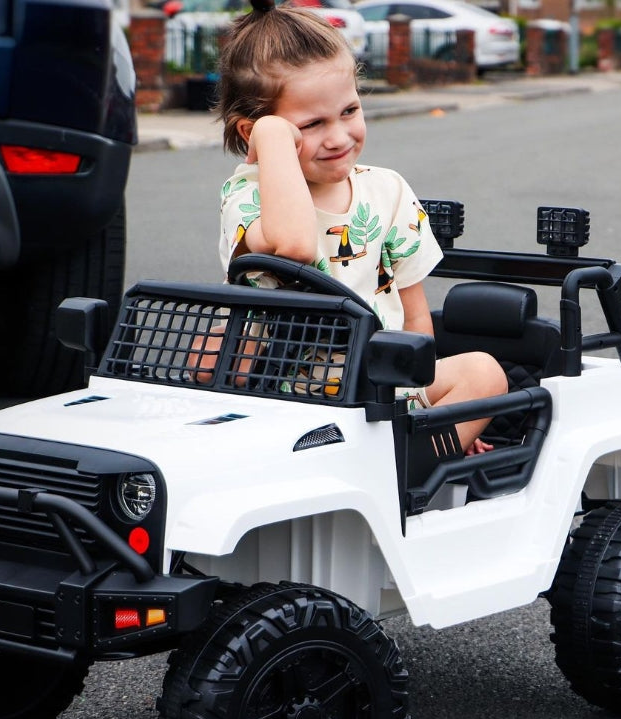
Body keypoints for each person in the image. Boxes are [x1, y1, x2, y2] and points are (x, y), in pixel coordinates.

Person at [214, 0, 507, 453]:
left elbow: (414, 316)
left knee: (484, 373)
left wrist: (435, 412)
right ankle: (394, 463)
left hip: (383, 387)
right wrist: (272, 138)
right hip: (290, 399)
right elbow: (292, 244)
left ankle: (413, 465)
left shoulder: (387, 191)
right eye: (311, 124)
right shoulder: (249, 196)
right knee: (203, 353)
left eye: (349, 111)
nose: (338, 137)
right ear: (254, 132)